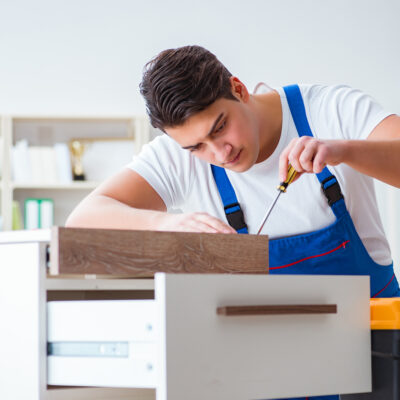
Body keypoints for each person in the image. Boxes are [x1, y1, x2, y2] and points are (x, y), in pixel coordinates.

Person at [66, 45, 400, 399]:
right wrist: (166, 225)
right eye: (197, 147)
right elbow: (82, 220)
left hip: (376, 352)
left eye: (220, 127)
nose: (219, 153)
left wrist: (344, 151)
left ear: (238, 89)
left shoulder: (329, 108)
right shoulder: (179, 158)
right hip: (265, 367)